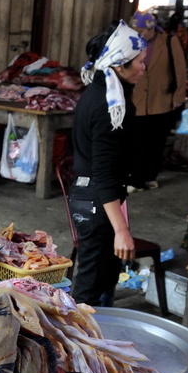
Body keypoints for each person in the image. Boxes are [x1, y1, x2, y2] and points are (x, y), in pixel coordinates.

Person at [69, 20, 147, 307]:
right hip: (96, 201)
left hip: (97, 198)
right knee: (89, 287)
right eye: (139, 62)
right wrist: (122, 230)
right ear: (119, 63)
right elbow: (102, 174)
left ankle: (101, 343)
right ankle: (77, 347)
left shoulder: (107, 94)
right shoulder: (107, 105)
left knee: (105, 277)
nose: (143, 67)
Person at [126, 9, 187, 192]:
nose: (139, 33)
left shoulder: (169, 41)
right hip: (137, 100)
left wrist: (178, 96)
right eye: (135, 30)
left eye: (142, 30)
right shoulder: (131, 43)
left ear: (152, 29)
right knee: (135, 142)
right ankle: (135, 180)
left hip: (160, 99)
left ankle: (150, 177)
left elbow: (180, 71)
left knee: (156, 142)